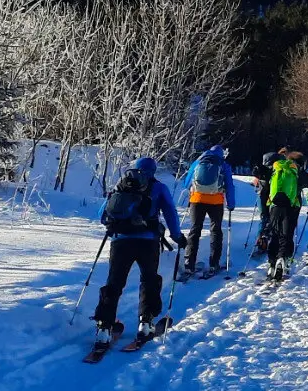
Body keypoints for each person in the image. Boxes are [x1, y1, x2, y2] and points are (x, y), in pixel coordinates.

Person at [94, 156, 184, 346]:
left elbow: (102, 215)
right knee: (149, 280)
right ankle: (145, 323)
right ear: (154, 170)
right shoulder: (159, 187)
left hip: (120, 242)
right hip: (148, 241)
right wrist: (177, 236)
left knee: (114, 283)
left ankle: (104, 328)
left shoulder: (121, 184)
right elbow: (170, 212)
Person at [176, 145, 236, 277]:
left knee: (194, 230)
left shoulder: (198, 162)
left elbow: (186, 183)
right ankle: (214, 264)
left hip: (197, 200)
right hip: (215, 201)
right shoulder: (223, 165)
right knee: (216, 231)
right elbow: (229, 186)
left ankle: (189, 263)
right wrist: (231, 204)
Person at [264, 150, 305, 280]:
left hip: (274, 207)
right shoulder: (296, 172)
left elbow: (264, 185)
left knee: (274, 234)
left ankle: (271, 263)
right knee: (286, 235)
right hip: (290, 208)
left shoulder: (275, 170)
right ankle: (282, 258)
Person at [251, 148, 284, 256]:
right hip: (274, 197)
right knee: (274, 220)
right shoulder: (277, 170)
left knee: (263, 218)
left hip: (261, 196)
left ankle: (261, 241)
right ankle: (272, 241)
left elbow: (255, 184)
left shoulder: (261, 170)